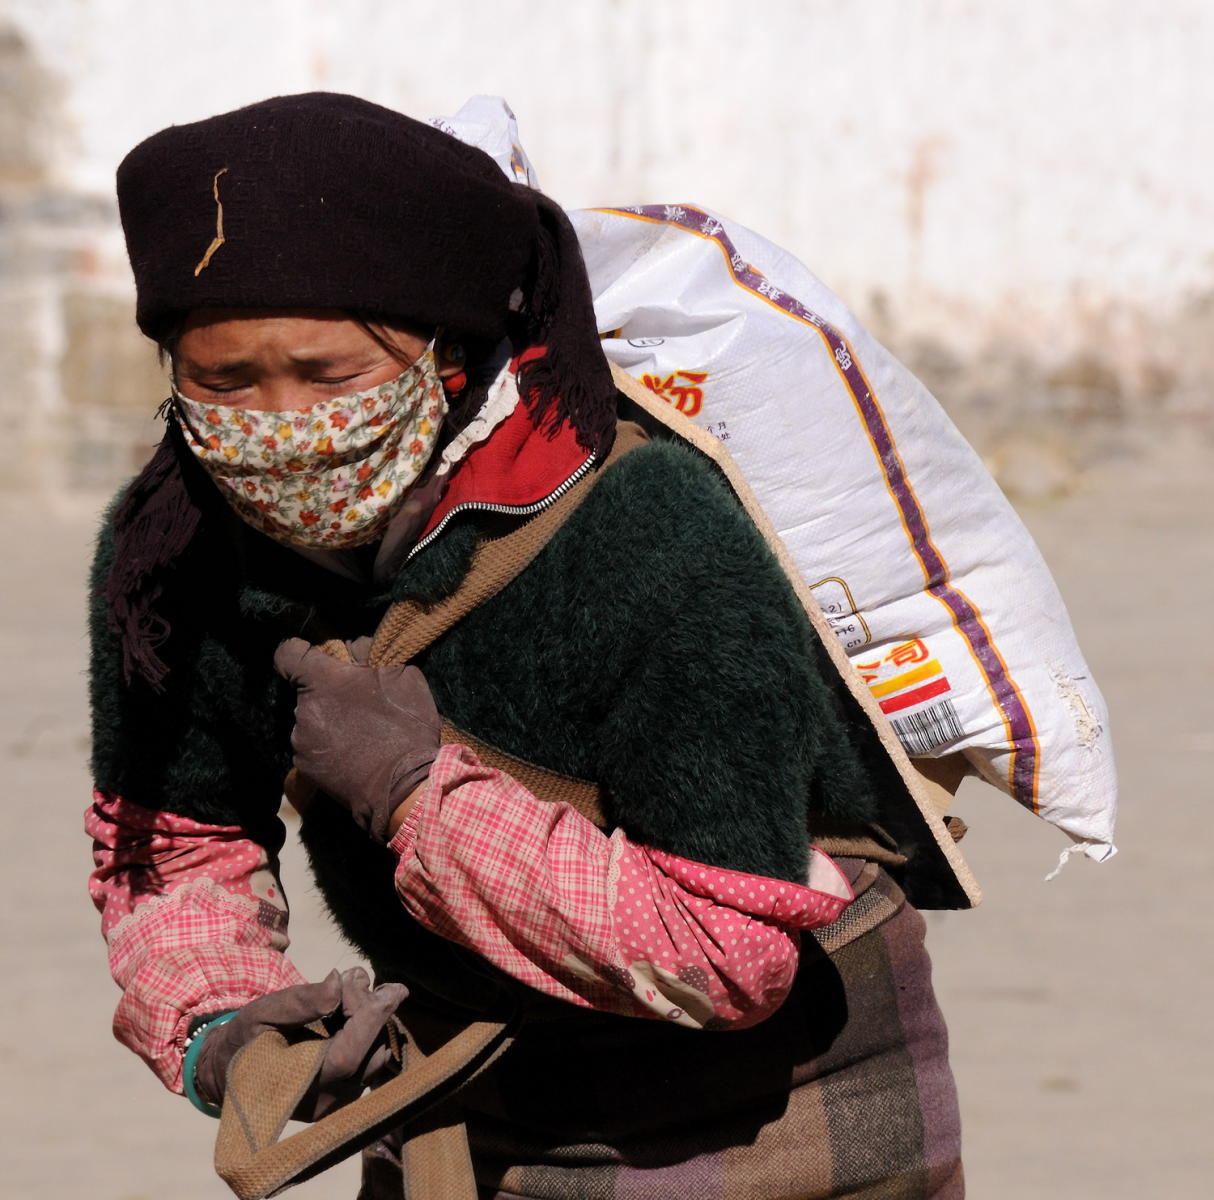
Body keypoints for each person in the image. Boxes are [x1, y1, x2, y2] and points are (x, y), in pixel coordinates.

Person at [87, 92, 964, 1198]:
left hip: (767, 1107)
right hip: (460, 1091)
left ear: (444, 361)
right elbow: (169, 844)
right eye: (223, 383)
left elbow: (725, 951)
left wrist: (416, 796)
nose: (277, 422)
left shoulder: (647, 535)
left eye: (327, 378)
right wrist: (225, 1028)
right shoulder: (170, 560)